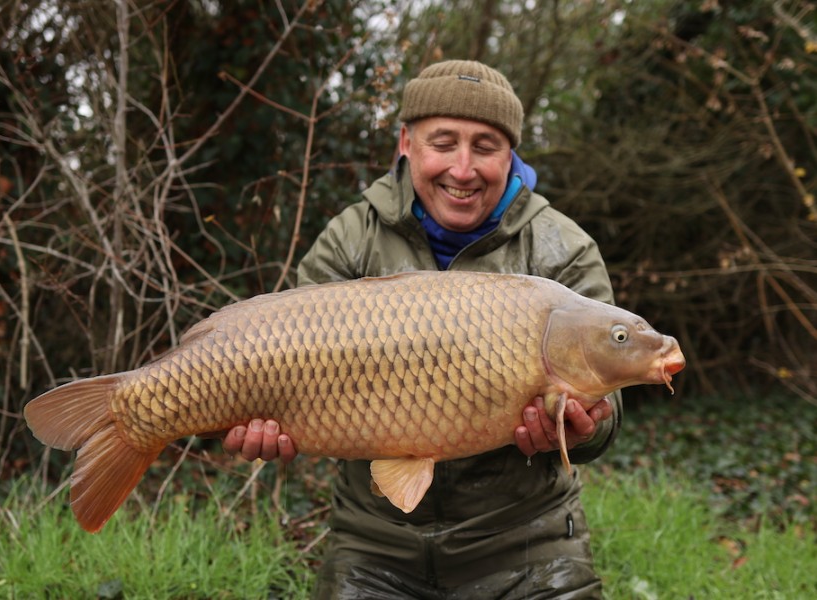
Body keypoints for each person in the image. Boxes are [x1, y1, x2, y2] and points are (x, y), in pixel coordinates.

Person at [223, 60, 620, 599]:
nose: (463, 169)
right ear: (406, 142)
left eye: (485, 146)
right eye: (443, 143)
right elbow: (285, 365)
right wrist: (259, 421)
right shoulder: (349, 240)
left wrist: (587, 427)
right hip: (375, 543)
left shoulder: (563, 250)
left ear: (512, 154)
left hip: (526, 541)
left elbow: (608, 408)